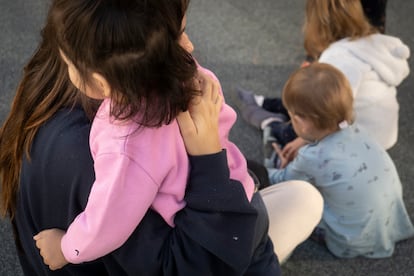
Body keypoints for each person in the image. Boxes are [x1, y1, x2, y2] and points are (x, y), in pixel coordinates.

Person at [0, 0, 323, 274]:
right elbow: (199, 263)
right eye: (179, 34)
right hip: (226, 235)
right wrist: (209, 158)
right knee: (303, 199)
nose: (190, 47)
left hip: (224, 222)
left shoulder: (64, 111)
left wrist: (65, 247)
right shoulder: (184, 91)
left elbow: (110, 219)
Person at [266, 62, 414, 258]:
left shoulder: (312, 156)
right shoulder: (358, 130)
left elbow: (280, 182)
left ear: (300, 121)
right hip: (387, 224)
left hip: (349, 240)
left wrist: (263, 169)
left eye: (291, 117)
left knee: (296, 203)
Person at [238, 0, 409, 167]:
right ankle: (275, 106)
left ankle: (272, 125)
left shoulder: (338, 60)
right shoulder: (374, 43)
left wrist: (302, 140)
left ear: (318, 23)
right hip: (382, 136)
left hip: (356, 138)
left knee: (302, 116)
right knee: (306, 94)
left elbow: (329, 114)